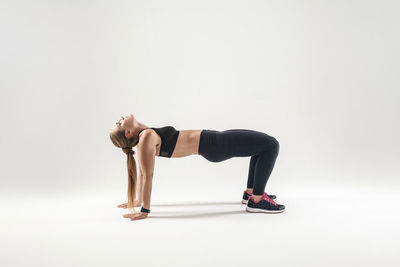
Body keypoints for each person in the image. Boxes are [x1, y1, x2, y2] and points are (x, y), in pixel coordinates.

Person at [109, 114, 285, 221]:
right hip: (214, 144)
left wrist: (139, 201)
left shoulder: (144, 137)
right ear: (128, 133)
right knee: (271, 144)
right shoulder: (146, 137)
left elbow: (141, 174)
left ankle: (251, 192)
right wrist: (145, 210)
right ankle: (256, 200)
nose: (121, 119)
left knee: (262, 146)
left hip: (213, 141)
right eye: (119, 123)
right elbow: (147, 175)